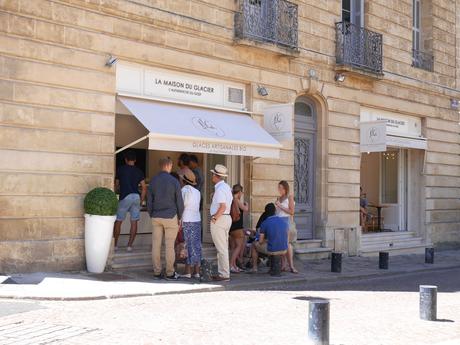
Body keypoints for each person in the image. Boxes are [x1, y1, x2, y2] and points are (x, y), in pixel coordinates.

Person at [147, 157, 184, 280]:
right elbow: (179, 201)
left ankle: (157, 272)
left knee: (156, 245)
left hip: (156, 216)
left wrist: (151, 213)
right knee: (169, 246)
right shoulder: (174, 181)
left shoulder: (153, 180)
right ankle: (170, 272)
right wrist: (180, 216)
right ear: (169, 166)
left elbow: (149, 201)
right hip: (171, 216)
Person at [113, 150, 147, 252]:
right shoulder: (139, 171)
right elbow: (144, 187)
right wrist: (141, 200)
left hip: (125, 196)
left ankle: (115, 245)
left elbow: (116, 185)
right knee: (134, 221)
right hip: (136, 196)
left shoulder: (121, 169)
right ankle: (129, 246)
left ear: (126, 160)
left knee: (118, 221)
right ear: (135, 160)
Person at [209, 164, 233, 281]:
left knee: (221, 248)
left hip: (220, 218)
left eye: (213, 174)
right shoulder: (226, 187)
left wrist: (214, 218)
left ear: (216, 176)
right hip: (226, 218)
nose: (212, 176)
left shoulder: (220, 189)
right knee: (223, 247)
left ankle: (224, 274)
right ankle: (223, 272)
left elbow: (222, 206)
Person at [250, 203, 288, 273]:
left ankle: (254, 267)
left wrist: (266, 240)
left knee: (253, 245)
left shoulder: (264, 223)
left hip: (272, 249)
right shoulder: (283, 221)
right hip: (284, 249)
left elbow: (260, 241)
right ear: (275, 211)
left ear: (266, 212)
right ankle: (283, 266)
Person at [178, 170, 202, 279]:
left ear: (183, 180)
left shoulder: (184, 191)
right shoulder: (197, 192)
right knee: (196, 246)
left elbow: (182, 207)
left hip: (187, 220)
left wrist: (179, 221)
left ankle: (187, 271)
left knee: (187, 245)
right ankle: (196, 271)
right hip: (197, 219)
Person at [275, 180, 298, 274]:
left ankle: (291, 266)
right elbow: (277, 212)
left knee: (287, 244)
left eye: (281, 188)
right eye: (278, 188)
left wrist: (280, 206)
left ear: (285, 188)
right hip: (278, 222)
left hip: (285, 221)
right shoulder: (278, 198)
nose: (279, 190)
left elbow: (292, 212)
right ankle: (283, 264)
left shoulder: (290, 197)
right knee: (281, 244)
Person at [229, 184, 249, 273]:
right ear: (240, 192)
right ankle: (231, 265)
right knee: (239, 247)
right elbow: (245, 209)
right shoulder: (236, 200)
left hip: (231, 226)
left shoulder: (231, 199)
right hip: (237, 227)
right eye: (242, 192)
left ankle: (233, 265)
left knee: (233, 247)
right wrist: (247, 204)